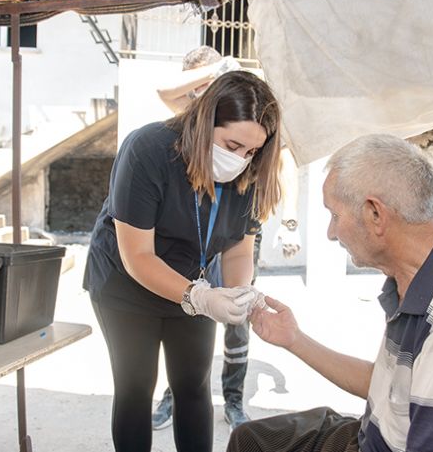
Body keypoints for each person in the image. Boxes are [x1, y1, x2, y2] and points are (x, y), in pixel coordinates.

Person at [228, 134, 433, 452]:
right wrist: (294, 339)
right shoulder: (422, 275)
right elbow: (390, 387)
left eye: (335, 215)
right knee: (251, 439)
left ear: (376, 215)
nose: (330, 232)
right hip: (375, 433)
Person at [83, 70, 283, 452]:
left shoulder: (249, 172)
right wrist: (201, 298)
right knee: (135, 387)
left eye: (251, 151)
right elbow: (137, 255)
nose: (240, 158)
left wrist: (238, 292)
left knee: (193, 385)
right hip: (126, 283)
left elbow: (239, 248)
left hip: (195, 280)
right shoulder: (148, 149)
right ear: (205, 119)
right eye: (232, 144)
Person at [152, 46, 302, 431]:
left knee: (239, 311)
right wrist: (215, 72)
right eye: (204, 85)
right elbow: (165, 90)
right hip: (194, 235)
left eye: (246, 151)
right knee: (185, 308)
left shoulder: (250, 119)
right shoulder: (196, 119)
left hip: (236, 232)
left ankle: (234, 399)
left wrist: (289, 219)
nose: (239, 155)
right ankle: (173, 395)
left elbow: (284, 163)